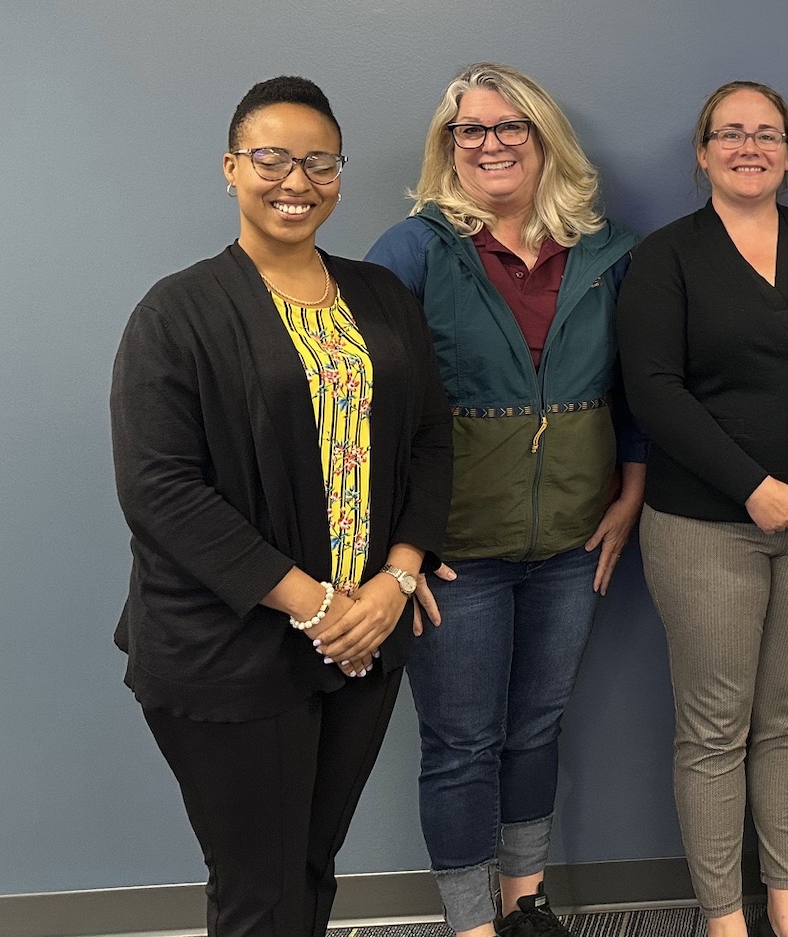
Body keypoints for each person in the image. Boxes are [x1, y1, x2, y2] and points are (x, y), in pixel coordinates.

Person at [111, 77, 451, 936]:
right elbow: (161, 491)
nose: (295, 180)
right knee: (259, 889)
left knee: (309, 865)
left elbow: (429, 445)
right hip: (234, 649)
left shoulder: (381, 298)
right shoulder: (177, 313)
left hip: (366, 639)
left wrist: (396, 582)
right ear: (232, 168)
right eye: (271, 158)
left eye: (319, 162)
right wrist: (319, 605)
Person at [366, 63, 646, 937]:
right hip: (454, 548)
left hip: (570, 541)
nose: (489, 144)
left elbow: (636, 391)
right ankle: (470, 923)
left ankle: (526, 908)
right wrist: (402, 542)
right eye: (469, 131)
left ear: (543, 137)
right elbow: (368, 406)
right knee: (461, 746)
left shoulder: (607, 252)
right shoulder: (412, 251)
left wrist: (630, 493)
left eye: (508, 126)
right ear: (448, 149)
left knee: (537, 730)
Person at [618, 81, 788, 937]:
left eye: (767, 133)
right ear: (702, 153)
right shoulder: (666, 257)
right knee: (715, 727)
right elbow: (654, 392)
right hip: (705, 530)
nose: (748, 146)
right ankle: (724, 919)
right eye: (729, 133)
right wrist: (751, 487)